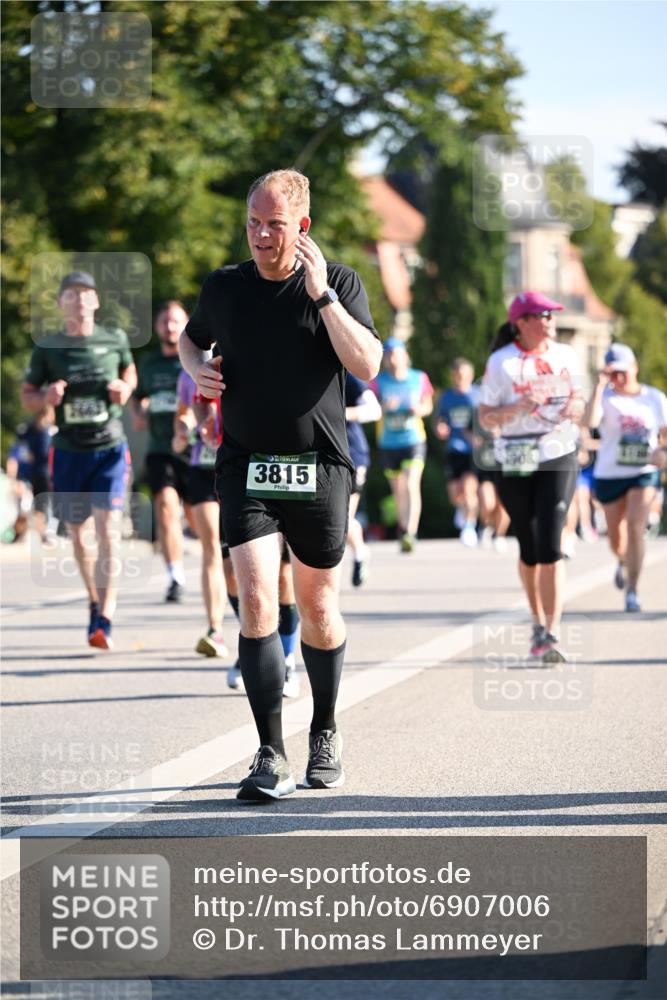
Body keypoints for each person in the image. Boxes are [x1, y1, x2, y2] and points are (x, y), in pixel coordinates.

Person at [179, 168, 381, 801]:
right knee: (259, 597)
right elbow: (190, 341)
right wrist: (198, 373)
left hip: (320, 465)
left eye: (275, 224)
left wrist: (322, 296)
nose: (262, 236)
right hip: (246, 465)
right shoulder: (226, 287)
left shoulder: (340, 282)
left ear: (303, 227)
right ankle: (270, 751)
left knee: (318, 605)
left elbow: (368, 366)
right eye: (253, 223)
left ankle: (324, 729)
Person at [21, 271, 137, 649]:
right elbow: (28, 396)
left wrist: (125, 387)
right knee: (79, 536)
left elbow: (129, 371)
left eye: (86, 294)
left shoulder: (114, 338)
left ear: (96, 301)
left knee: (107, 531)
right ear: (61, 303)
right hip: (69, 452)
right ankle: (93, 600)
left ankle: (106, 615)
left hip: (109, 448)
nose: (79, 300)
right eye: (71, 295)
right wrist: (46, 398)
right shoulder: (48, 348)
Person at [479, 290, 583, 663]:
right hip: (516, 455)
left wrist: (576, 406)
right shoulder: (501, 363)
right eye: (543, 315)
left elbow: (581, 400)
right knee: (528, 543)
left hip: (558, 452)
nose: (551, 322)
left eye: (552, 315)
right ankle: (537, 624)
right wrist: (516, 407)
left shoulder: (566, 356)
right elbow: (486, 417)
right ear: (521, 323)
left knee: (551, 540)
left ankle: (552, 633)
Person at [584, 343, 667, 612]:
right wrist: (598, 387)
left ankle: (632, 589)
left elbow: (665, 435)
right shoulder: (605, 398)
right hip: (610, 473)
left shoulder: (654, 397)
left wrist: (663, 453)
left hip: (643, 472)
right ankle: (622, 561)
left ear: (635, 368)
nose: (619, 378)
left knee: (635, 527)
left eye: (623, 371)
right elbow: (589, 422)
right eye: (613, 373)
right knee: (616, 539)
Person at [133, 301, 190, 603]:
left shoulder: (194, 358)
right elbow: (138, 396)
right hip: (160, 450)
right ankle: (176, 576)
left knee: (199, 520)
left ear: (186, 324)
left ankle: (219, 566)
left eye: (176, 321)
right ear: (157, 327)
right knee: (167, 511)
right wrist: (138, 412)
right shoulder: (148, 364)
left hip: (194, 452)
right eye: (165, 322)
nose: (169, 327)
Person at [172, 368, 229, 657]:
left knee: (236, 554)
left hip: (239, 468)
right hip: (203, 470)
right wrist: (182, 431)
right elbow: (182, 413)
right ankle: (215, 629)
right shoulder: (188, 373)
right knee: (212, 548)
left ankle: (264, 627)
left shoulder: (241, 355)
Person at [371, 338, 434, 553]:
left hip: (413, 439)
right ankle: (403, 529)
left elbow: (428, 404)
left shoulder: (419, 378)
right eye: (388, 354)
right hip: (389, 443)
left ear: (405, 355)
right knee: (398, 490)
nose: (392, 358)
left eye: (396, 353)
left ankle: (410, 532)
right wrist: (383, 407)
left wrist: (419, 409)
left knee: (410, 483)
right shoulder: (379, 382)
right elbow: (371, 407)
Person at [435, 358, 480, 547]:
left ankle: (469, 527)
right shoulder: (446, 397)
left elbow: (487, 420)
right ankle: (461, 510)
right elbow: (439, 420)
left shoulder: (478, 396)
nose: (461, 378)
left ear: (470, 376)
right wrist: (440, 428)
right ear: (454, 376)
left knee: (470, 490)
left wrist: (480, 436)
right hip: (453, 448)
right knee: (455, 494)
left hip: (472, 451)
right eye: (458, 375)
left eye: (464, 375)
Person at [345, 371, 381, 585]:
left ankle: (359, 553)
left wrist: (336, 413)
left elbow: (374, 410)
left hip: (351, 455)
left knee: (342, 517)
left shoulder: (347, 376)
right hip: (316, 457)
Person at [6, 407, 55, 546]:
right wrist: (13, 478)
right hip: (26, 476)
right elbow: (14, 455)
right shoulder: (26, 432)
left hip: (44, 477)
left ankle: (42, 535)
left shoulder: (51, 434)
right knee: (24, 506)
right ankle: (19, 534)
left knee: (41, 508)